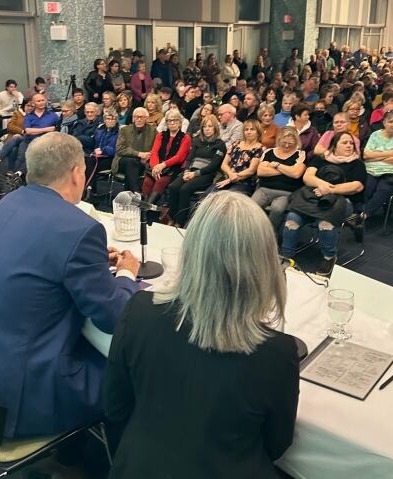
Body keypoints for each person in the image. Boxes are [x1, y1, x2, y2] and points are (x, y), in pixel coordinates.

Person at [0, 132, 140, 438]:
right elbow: (114, 318)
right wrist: (127, 274)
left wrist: (86, 261)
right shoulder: (80, 227)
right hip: (22, 395)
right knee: (131, 376)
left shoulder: (10, 203)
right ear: (77, 173)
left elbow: (34, 254)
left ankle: (74, 452)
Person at [104, 191, 299, 479]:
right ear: (264, 261)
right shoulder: (277, 352)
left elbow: (115, 406)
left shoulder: (140, 311)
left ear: (192, 250)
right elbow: (276, 443)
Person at [282, 131, 366, 276]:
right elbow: (308, 177)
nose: (349, 145)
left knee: (325, 222)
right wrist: (322, 185)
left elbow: (356, 186)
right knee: (292, 219)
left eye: (351, 143)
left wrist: (330, 190)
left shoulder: (357, 164)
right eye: (344, 142)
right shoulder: (321, 159)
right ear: (334, 145)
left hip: (342, 200)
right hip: (313, 197)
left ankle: (329, 257)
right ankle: (286, 257)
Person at [165, 114, 226, 227]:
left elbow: (213, 166)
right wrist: (187, 171)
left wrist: (195, 173)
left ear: (215, 128)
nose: (207, 129)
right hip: (190, 171)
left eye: (210, 126)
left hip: (206, 174)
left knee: (185, 189)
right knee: (173, 187)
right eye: (204, 126)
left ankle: (180, 221)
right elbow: (189, 158)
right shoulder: (197, 141)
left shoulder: (220, 145)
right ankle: (171, 218)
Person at [252, 127, 308, 232]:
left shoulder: (300, 154)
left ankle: (270, 234)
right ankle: (254, 232)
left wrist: (276, 165)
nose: (287, 145)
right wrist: (288, 170)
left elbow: (296, 174)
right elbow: (261, 172)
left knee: (277, 209)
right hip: (264, 189)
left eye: (290, 143)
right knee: (251, 206)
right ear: (279, 140)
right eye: (284, 142)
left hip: (286, 192)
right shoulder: (269, 152)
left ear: (296, 142)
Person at [362, 111, 393, 218]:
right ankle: (361, 213)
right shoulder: (375, 135)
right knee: (367, 188)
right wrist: (391, 153)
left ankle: (364, 215)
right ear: (384, 122)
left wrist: (376, 157)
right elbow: (366, 155)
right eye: (390, 121)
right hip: (372, 171)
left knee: (383, 189)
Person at [141, 109, 191, 204]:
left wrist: (162, 165)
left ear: (180, 122)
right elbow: (154, 152)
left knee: (160, 181)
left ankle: (147, 209)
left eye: (175, 120)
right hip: (156, 167)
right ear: (166, 123)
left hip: (172, 169)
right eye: (169, 120)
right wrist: (155, 167)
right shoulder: (160, 135)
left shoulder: (185, 138)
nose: (172, 123)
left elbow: (179, 157)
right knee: (147, 181)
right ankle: (142, 209)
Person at [209, 119, 264, 195]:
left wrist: (230, 179)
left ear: (258, 132)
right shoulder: (236, 143)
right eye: (246, 129)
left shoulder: (260, 148)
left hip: (244, 183)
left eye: (252, 129)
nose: (248, 132)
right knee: (209, 194)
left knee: (227, 197)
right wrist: (230, 174)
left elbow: (251, 170)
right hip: (228, 177)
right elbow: (224, 164)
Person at [113, 107, 157, 193]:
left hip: (143, 163)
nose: (139, 119)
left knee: (132, 168)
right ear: (133, 118)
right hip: (123, 161)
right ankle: (136, 192)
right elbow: (120, 149)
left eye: (142, 117)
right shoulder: (124, 130)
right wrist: (139, 154)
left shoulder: (153, 131)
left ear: (147, 119)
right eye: (136, 117)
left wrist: (149, 156)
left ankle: (130, 195)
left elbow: (157, 148)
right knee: (131, 162)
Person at [14, 93, 59, 173]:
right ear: (33, 103)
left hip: (44, 142)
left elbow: (57, 128)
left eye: (43, 100)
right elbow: (28, 131)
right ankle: (15, 177)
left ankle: (20, 175)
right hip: (28, 140)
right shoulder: (29, 116)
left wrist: (35, 130)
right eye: (38, 101)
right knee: (21, 157)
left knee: (32, 156)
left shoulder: (53, 115)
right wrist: (47, 129)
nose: (41, 102)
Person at [85, 108, 120, 190]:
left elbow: (117, 150)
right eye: (108, 119)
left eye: (113, 119)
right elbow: (95, 145)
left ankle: (89, 188)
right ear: (104, 120)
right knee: (86, 160)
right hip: (97, 157)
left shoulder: (120, 132)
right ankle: (89, 188)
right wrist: (95, 150)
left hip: (110, 159)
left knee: (90, 163)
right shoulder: (100, 130)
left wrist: (103, 149)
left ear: (116, 120)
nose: (110, 121)